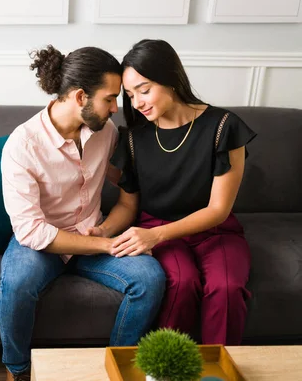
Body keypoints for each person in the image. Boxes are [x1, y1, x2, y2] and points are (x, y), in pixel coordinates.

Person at [0, 45, 166, 381]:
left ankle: (114, 369)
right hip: (46, 242)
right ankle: (17, 371)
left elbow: (128, 192)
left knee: (150, 278)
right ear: (79, 97)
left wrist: (107, 232)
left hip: (93, 233)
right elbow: (31, 232)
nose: (116, 108)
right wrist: (106, 246)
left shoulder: (106, 135)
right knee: (16, 284)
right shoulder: (23, 144)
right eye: (109, 98)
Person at [104, 39, 256, 345]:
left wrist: (156, 237)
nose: (137, 103)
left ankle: (217, 372)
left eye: (144, 90)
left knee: (226, 287)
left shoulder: (224, 127)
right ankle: (168, 372)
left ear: (171, 79)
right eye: (130, 95)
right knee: (181, 283)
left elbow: (218, 210)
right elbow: (128, 204)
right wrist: (101, 232)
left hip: (216, 231)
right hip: (155, 226)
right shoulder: (134, 138)